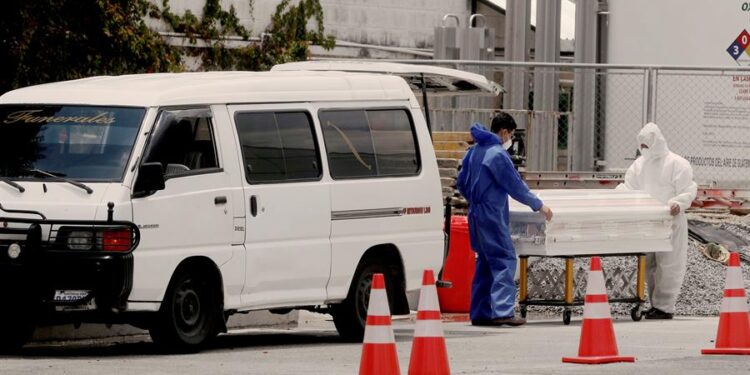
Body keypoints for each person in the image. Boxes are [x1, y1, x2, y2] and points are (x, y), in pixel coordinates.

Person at [457, 113, 553, 327]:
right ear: (504, 132)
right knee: (504, 258)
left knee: (484, 261)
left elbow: (461, 183)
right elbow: (515, 185)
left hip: (475, 212)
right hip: (491, 213)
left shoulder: (473, 152)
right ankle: (502, 311)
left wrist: (475, 199)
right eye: (510, 134)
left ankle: (481, 312)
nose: (510, 139)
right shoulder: (497, 154)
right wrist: (539, 205)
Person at [616, 122, 697, 319]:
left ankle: (665, 306)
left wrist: (679, 203)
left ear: (657, 142)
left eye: (647, 145)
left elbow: (688, 189)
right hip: (647, 222)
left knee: (669, 264)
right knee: (650, 264)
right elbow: (629, 187)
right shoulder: (639, 165)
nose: (644, 149)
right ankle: (656, 304)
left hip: (670, 221)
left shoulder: (677, 163)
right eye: (641, 145)